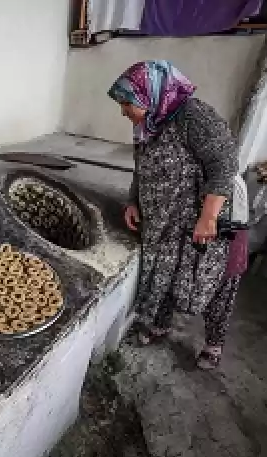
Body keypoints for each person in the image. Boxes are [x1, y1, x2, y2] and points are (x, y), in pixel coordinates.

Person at [108, 59, 248, 370]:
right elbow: (142, 168)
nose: (124, 111)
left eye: (127, 103)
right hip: (166, 221)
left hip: (208, 221)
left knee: (215, 282)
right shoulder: (148, 125)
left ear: (150, 94)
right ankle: (160, 325)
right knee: (163, 274)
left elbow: (223, 166)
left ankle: (214, 341)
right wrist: (134, 201)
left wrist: (208, 218)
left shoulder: (193, 117)